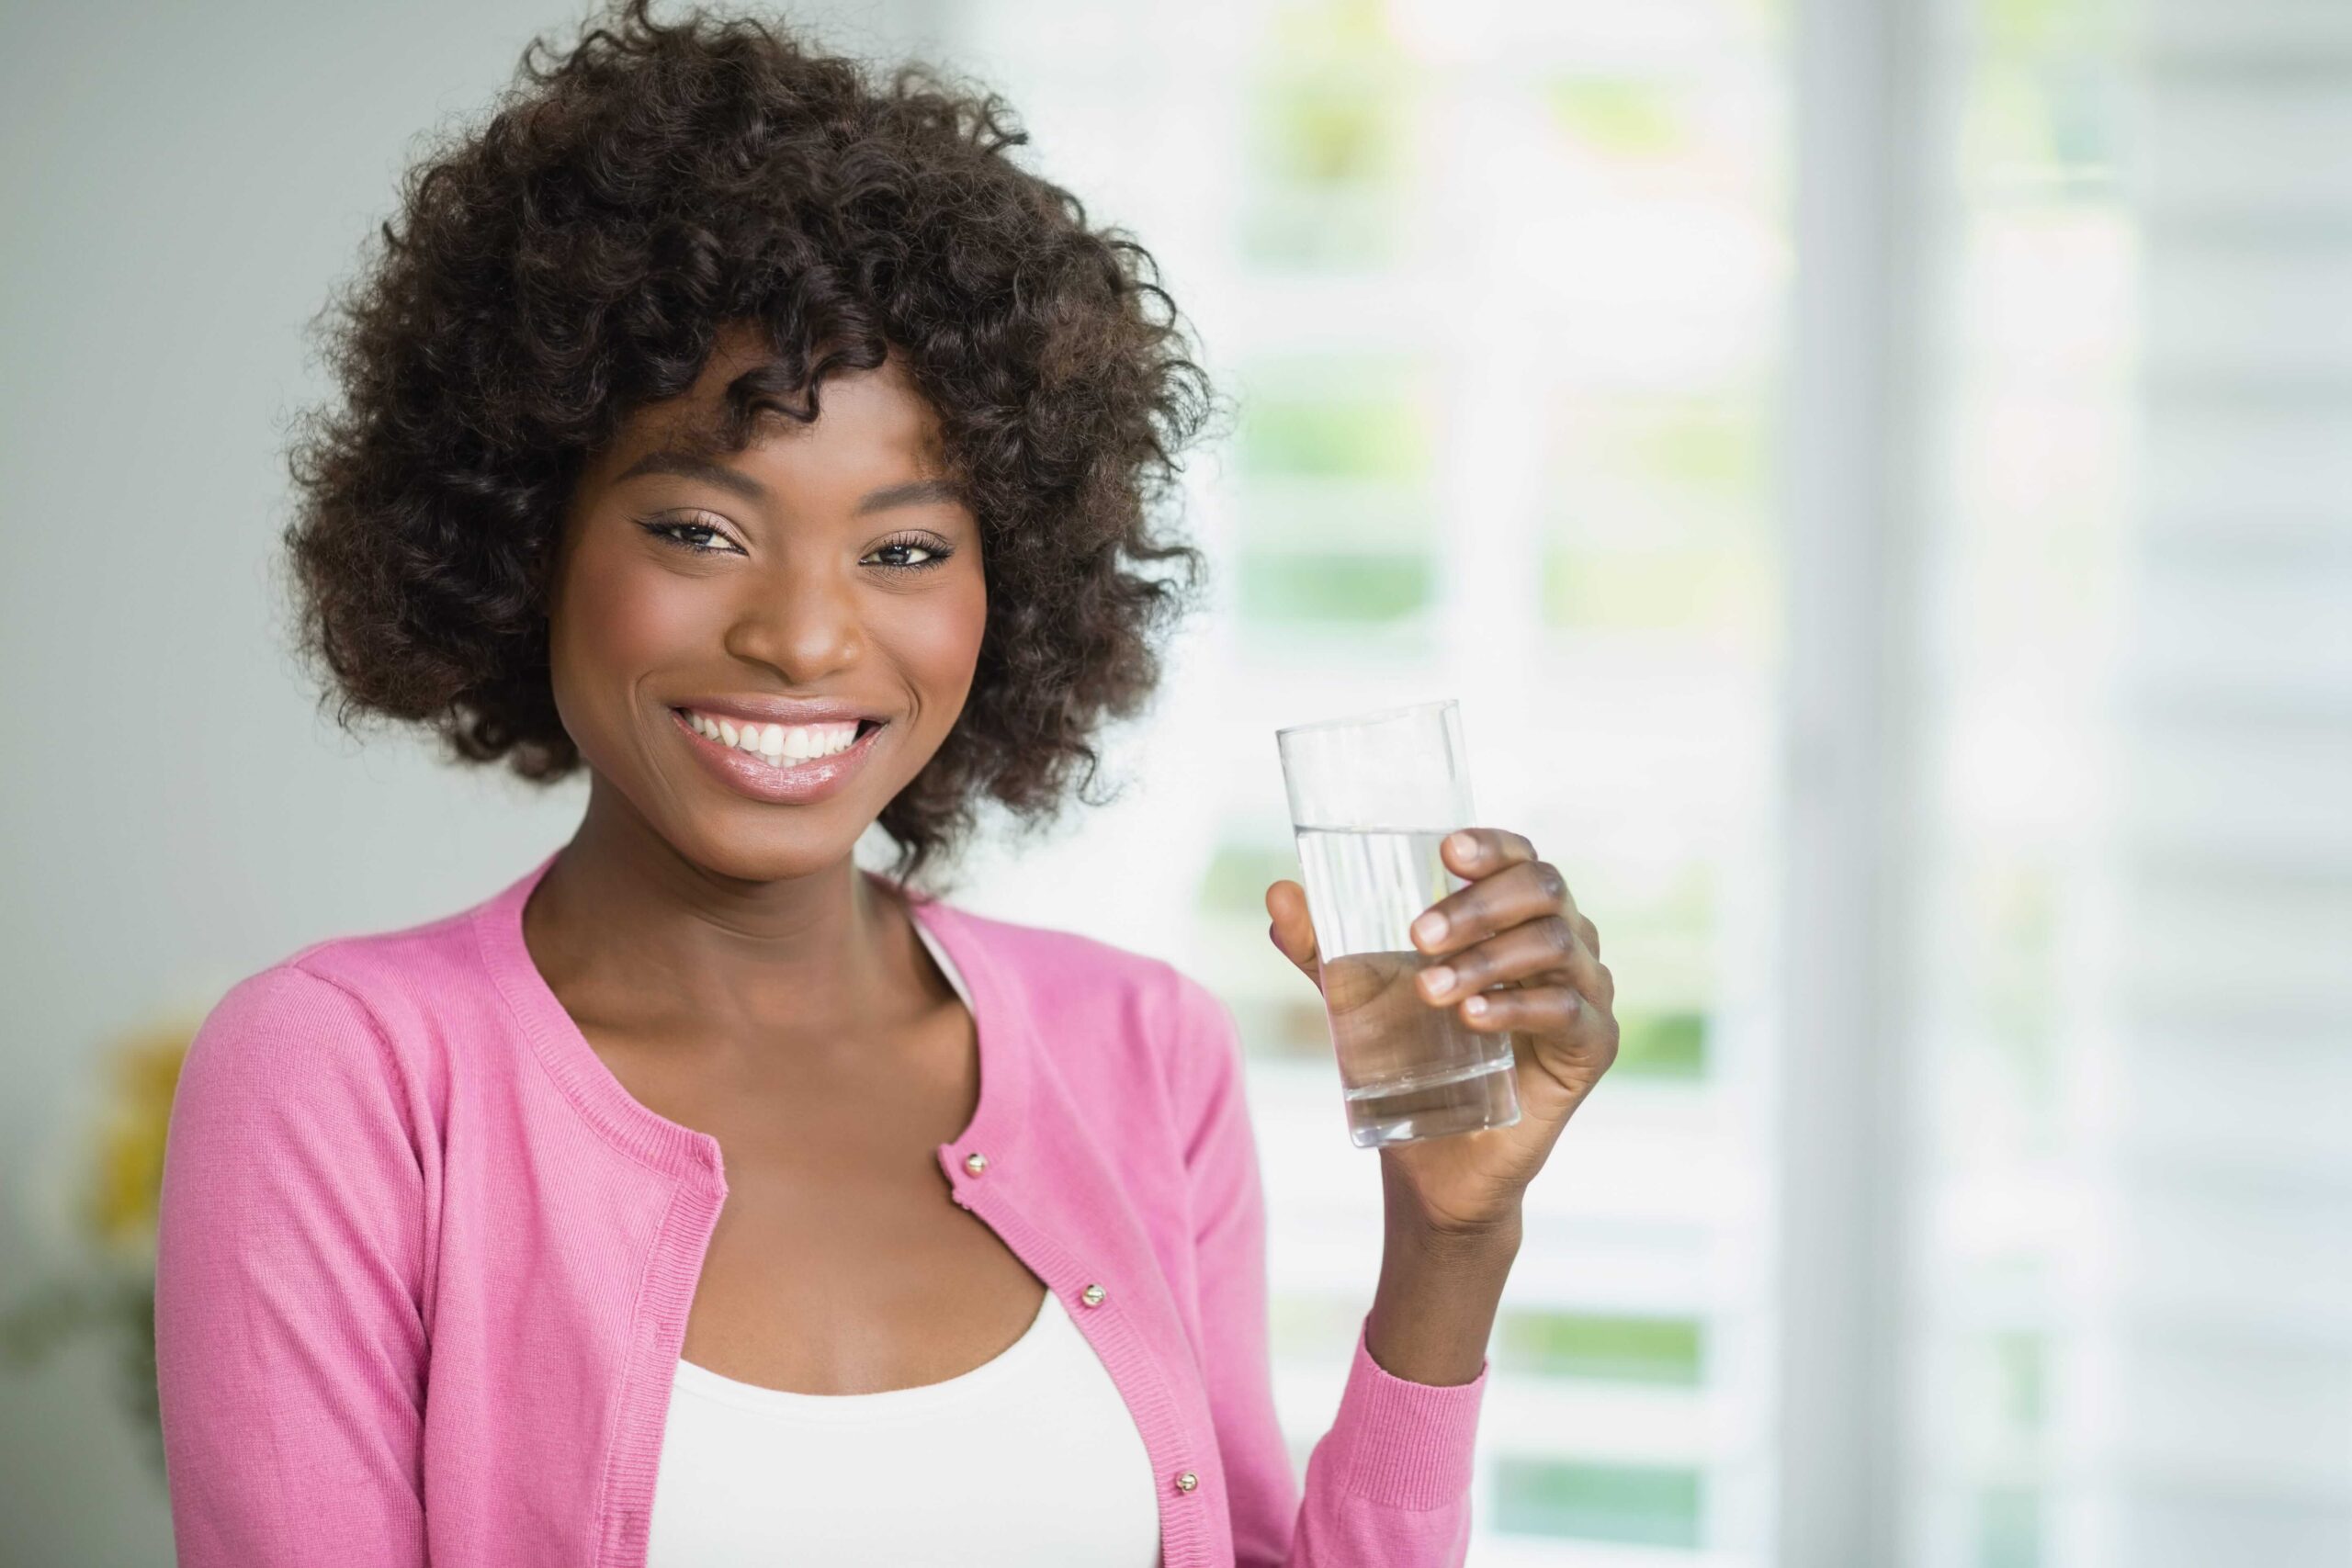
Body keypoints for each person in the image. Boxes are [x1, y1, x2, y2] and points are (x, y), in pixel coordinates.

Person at [151, 3, 1620, 1564]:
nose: (799, 636)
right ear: (527, 534)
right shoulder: (347, 1077)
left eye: (905, 549)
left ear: (1017, 589)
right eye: (699, 530)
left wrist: (1450, 1245)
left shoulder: (1141, 1052)